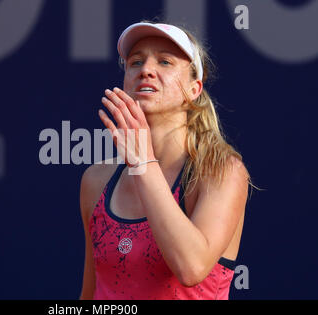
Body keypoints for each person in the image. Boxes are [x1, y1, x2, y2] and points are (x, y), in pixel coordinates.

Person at [79, 21, 251, 300]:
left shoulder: (222, 171)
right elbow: (90, 295)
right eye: (135, 62)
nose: (146, 69)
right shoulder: (95, 179)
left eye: (165, 62)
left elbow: (191, 267)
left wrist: (143, 162)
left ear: (194, 88)